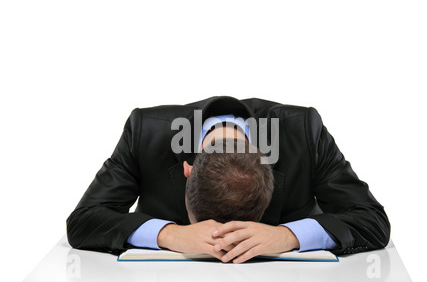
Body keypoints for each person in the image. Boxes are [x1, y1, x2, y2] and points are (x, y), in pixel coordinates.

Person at [66, 96, 390, 263]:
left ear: (269, 175)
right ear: (188, 169)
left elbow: (372, 221)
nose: (224, 245)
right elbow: (82, 221)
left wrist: (287, 236)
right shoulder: (145, 130)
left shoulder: (303, 130)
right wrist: (170, 234)